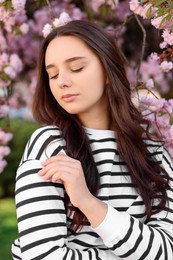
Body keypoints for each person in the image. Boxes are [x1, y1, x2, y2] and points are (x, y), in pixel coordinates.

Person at [12, 18, 173, 260]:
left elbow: (167, 251)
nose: (62, 81)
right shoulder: (50, 145)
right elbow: (43, 256)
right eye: (52, 75)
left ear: (108, 71)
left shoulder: (154, 154)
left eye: (76, 68)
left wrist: (87, 202)